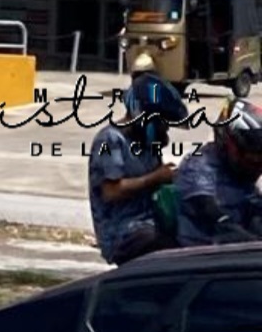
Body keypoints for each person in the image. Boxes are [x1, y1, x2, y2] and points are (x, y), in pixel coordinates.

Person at [87, 56, 182, 264]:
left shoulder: (148, 144)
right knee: (170, 245)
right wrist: (156, 177)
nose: (164, 129)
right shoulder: (111, 139)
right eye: (161, 123)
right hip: (123, 232)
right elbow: (111, 191)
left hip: (149, 221)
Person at [173, 96, 262, 245]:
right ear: (227, 141)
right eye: (251, 156)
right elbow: (212, 214)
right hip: (200, 254)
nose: (256, 163)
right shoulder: (198, 167)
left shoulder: (239, 174)